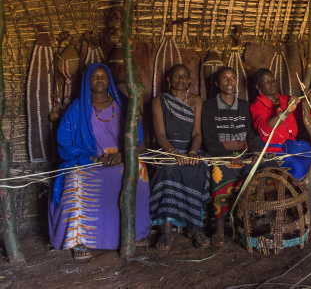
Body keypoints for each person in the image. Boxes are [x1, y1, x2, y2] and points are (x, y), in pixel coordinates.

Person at [49, 63, 150, 260]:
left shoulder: (123, 104)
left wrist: (123, 155)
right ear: (87, 81)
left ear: (109, 80)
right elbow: (64, 141)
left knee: (138, 169)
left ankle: (134, 233)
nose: (100, 80)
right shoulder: (77, 108)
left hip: (122, 159)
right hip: (91, 161)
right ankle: (78, 239)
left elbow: (136, 139)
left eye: (104, 76)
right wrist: (93, 159)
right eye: (95, 77)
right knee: (74, 178)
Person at [249, 68, 311, 218]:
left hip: (293, 147)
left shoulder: (283, 99)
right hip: (273, 151)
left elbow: (308, 113)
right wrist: (285, 112)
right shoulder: (257, 106)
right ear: (258, 87)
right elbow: (264, 129)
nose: (272, 83)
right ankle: (298, 211)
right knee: (298, 166)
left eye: (273, 79)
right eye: (266, 82)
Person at [149, 64, 210, 250]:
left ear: (190, 81)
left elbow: (197, 134)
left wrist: (192, 152)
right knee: (169, 170)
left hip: (190, 149)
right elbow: (160, 135)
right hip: (168, 150)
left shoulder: (196, 100)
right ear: (169, 79)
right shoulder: (159, 101)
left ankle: (195, 226)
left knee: (198, 167)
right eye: (176, 75)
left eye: (185, 76)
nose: (181, 79)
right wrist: (175, 154)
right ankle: (166, 230)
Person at [202, 67, 264, 246]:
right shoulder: (209, 106)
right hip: (220, 155)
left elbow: (252, 133)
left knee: (258, 169)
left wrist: (256, 152)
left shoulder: (244, 106)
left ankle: (248, 221)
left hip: (243, 153)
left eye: (233, 78)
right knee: (220, 172)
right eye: (224, 78)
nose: (229, 82)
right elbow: (210, 136)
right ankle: (220, 225)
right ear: (216, 83)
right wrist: (226, 155)